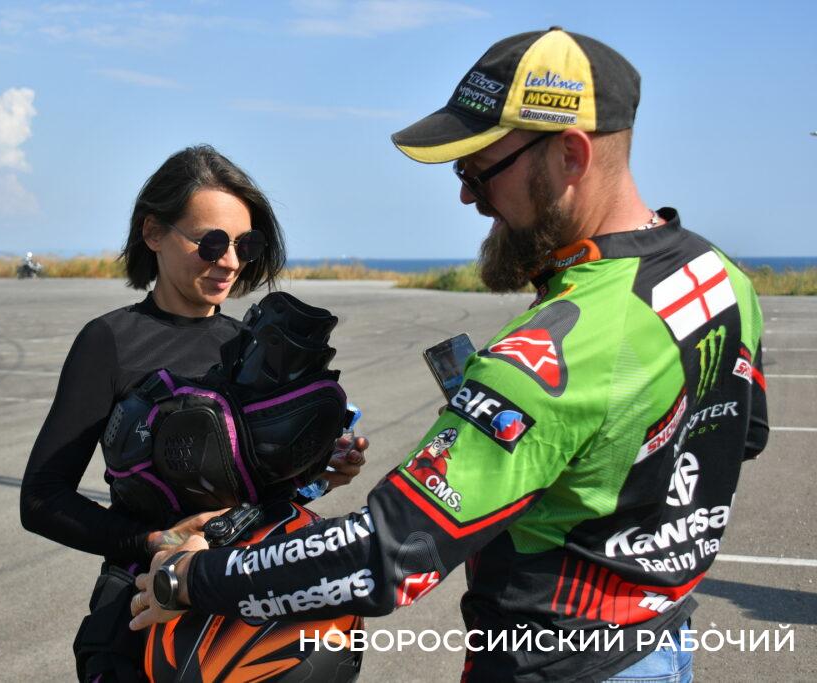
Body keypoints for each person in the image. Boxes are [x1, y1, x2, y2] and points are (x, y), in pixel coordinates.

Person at [128, 29, 769, 682]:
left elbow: (388, 551)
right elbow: (740, 433)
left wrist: (192, 577)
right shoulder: (720, 277)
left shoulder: (553, 354)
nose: (467, 195)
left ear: (570, 156)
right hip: (661, 644)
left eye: (477, 170)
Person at [18, 144, 368, 679]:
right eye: (211, 242)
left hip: (250, 611)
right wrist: (154, 541)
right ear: (153, 233)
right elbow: (42, 498)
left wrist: (319, 471)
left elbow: (255, 493)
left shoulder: (248, 347)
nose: (229, 261)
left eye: (245, 245)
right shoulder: (110, 341)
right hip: (142, 613)